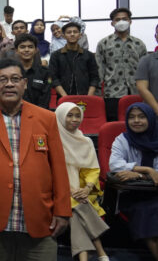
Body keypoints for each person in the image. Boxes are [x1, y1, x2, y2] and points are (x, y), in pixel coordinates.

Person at [0, 58, 71, 260]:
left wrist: (63, 210)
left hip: (39, 219)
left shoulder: (46, 118)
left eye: (15, 79)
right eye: (2, 80)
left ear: (25, 83)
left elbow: (58, 167)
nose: (9, 84)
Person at [55, 103, 110, 261]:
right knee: (77, 205)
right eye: (69, 115)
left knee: (76, 209)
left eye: (77, 115)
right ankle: (100, 252)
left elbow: (92, 170)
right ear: (60, 117)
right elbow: (51, 172)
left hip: (83, 192)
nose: (75, 119)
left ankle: (84, 257)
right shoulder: (53, 141)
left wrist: (86, 188)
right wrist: (70, 190)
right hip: (59, 190)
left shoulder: (85, 141)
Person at [108, 103, 158, 260]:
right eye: (131, 117)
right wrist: (148, 171)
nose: (136, 121)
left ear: (150, 118)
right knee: (147, 214)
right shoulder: (122, 140)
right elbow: (114, 165)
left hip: (155, 193)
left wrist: (139, 174)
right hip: (132, 195)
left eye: (141, 117)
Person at [96, 8, 148, 121]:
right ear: (112, 23)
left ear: (130, 21)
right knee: (114, 124)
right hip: (112, 93)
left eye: (124, 19)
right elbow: (99, 70)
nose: (121, 22)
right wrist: (98, 95)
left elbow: (145, 71)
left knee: (137, 122)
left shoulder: (139, 44)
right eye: (117, 19)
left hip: (136, 92)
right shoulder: (103, 43)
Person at [50, 22, 99, 98]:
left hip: (85, 97)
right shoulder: (56, 55)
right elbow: (54, 78)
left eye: (75, 32)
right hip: (63, 97)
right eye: (69, 32)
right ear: (63, 36)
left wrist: (88, 97)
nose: (72, 34)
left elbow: (94, 78)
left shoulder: (89, 55)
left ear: (80, 35)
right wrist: (65, 97)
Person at [14, 34, 52, 109]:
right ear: (16, 51)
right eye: (22, 47)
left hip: (38, 114)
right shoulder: (10, 72)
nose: (26, 50)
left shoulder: (45, 72)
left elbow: (45, 99)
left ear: (35, 50)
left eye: (30, 47)